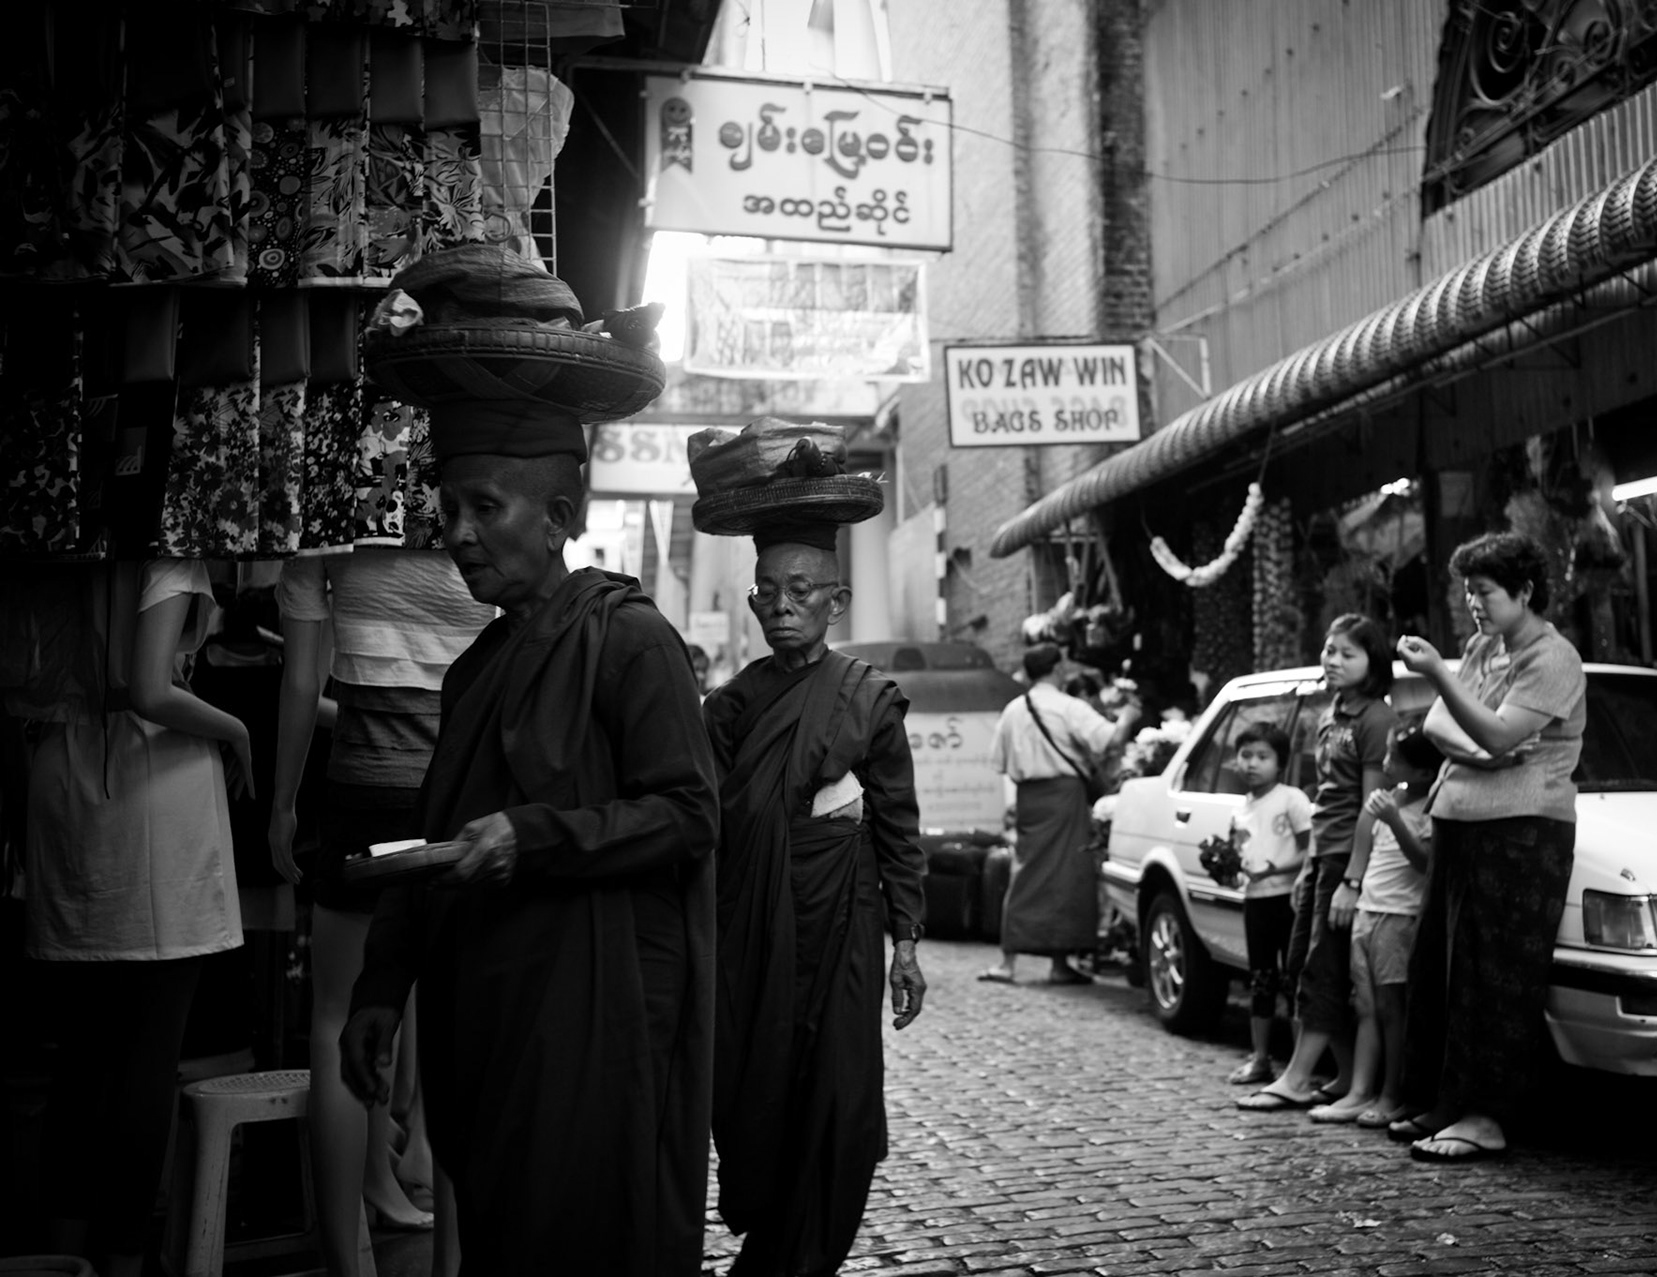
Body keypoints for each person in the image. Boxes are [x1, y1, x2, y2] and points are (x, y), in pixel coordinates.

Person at [340, 245, 720, 1273]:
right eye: (449, 504)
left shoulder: (628, 638)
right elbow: (433, 843)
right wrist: (382, 983)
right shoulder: (475, 672)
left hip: (596, 1028)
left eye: (485, 508)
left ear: (560, 518)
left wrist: (534, 836)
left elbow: (688, 814)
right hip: (491, 1024)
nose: (457, 533)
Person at [702, 521, 928, 1277]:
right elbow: (711, 829)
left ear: (839, 599)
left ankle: (804, 1258)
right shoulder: (732, 708)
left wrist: (908, 943)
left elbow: (898, 823)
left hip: (845, 925)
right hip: (755, 930)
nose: (781, 606)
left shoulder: (868, 698)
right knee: (759, 1093)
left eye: (800, 590)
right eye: (766, 590)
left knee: (843, 1103)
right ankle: (772, 1250)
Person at [21, 560, 250, 1277]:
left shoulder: (65, 537)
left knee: (82, 1057)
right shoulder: (170, 546)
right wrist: (238, 729)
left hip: (64, 773)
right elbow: (153, 687)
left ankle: (59, 1257)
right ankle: (121, 1262)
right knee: (148, 1057)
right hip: (155, 788)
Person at [271, 546, 496, 1274]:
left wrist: (281, 803)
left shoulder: (327, 517)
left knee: (336, 1015)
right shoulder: (479, 506)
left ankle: (348, 1263)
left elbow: (302, 679)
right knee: (462, 1027)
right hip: (461, 789)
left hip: (361, 792)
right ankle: (452, 1264)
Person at [1393, 530, 1587, 1163]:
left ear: (1525, 591)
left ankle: (1486, 1117)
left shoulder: (1552, 658)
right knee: (1441, 966)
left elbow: (1497, 731)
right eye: (1467, 591)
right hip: (1460, 818)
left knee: (1494, 974)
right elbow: (1444, 726)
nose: (1473, 604)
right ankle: (1446, 1102)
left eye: (1485, 592)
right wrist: (1486, 750)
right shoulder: (1483, 646)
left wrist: (1451, 693)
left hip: (1521, 830)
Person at [1239, 613, 1396, 1111]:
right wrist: (1308, 867)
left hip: (1346, 861)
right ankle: (1345, 1078)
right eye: (1330, 650)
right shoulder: (1332, 712)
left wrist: (1352, 878)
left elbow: (1372, 806)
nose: (1334, 660)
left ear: (1373, 662)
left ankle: (1297, 1077)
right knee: (1302, 971)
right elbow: (1325, 795)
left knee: (1323, 969)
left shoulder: (1376, 718)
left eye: (1348, 653)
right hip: (1319, 859)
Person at [981, 643, 1142, 985]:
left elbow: (999, 763)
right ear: (1057, 670)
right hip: (1064, 798)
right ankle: (1059, 962)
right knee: (1067, 877)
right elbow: (1109, 742)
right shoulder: (1068, 706)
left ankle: (1009, 962)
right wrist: (1127, 717)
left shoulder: (1013, 710)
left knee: (1023, 872)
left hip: (1029, 799)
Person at [1315, 720, 1439, 1127]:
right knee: (1364, 1004)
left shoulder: (1430, 808)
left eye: (1394, 758)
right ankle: (1359, 1091)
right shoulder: (1387, 800)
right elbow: (1364, 855)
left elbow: (1424, 863)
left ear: (1423, 771)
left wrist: (1395, 820)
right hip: (1368, 910)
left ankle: (1392, 1093)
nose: (1385, 763)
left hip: (1399, 916)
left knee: (1391, 1008)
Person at [1223, 721, 1314, 1086]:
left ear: (1280, 763)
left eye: (1262, 756)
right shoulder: (1241, 809)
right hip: (1256, 900)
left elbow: (1311, 850)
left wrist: (1279, 869)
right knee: (1260, 979)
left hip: (1287, 899)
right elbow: (1237, 855)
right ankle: (1260, 1058)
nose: (1252, 764)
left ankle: (1298, 1068)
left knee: (1294, 981)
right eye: (1245, 755)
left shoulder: (1291, 799)